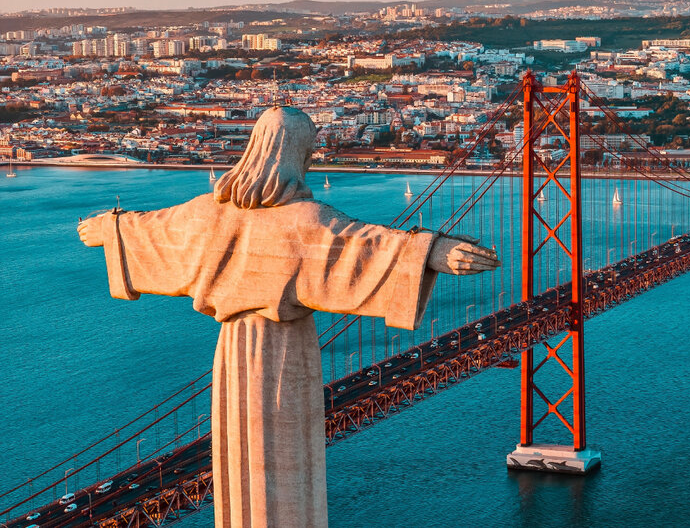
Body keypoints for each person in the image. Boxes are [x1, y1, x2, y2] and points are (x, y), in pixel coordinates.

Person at [77, 106, 499, 528]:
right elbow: (366, 248)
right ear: (300, 155)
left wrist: (110, 229)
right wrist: (434, 252)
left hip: (233, 352)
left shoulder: (207, 213)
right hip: (286, 352)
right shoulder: (305, 222)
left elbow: (152, 230)